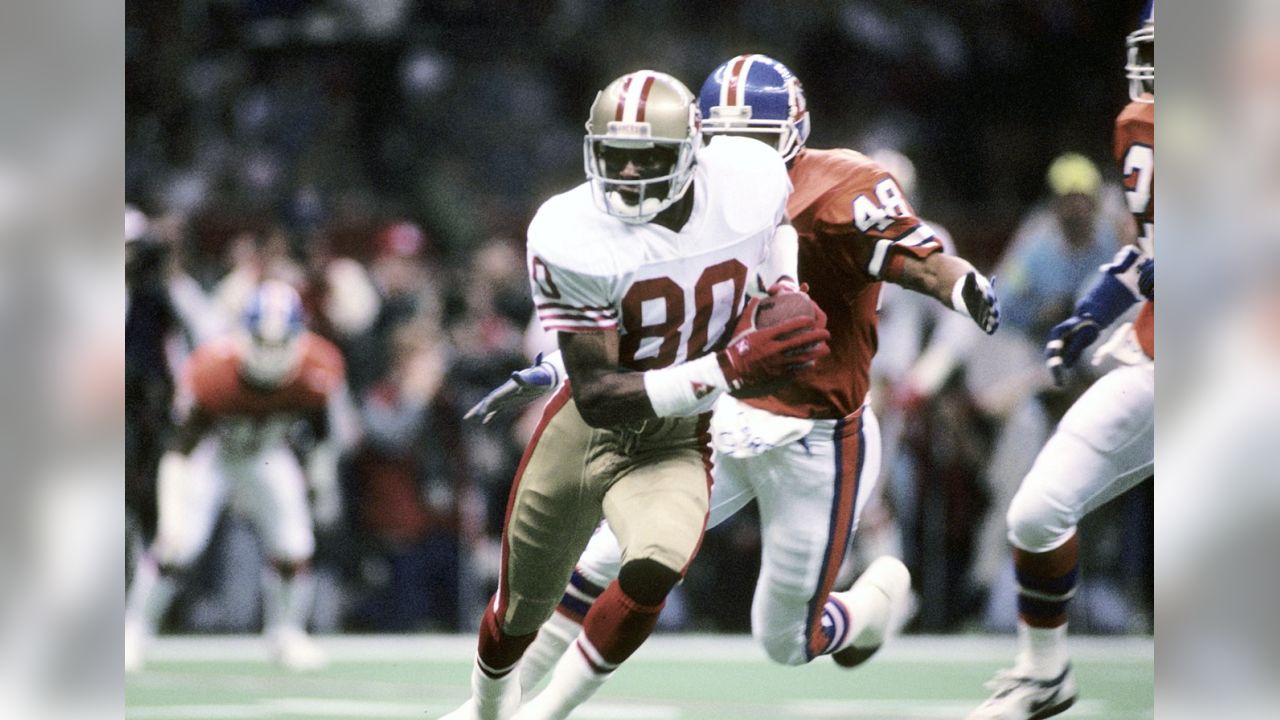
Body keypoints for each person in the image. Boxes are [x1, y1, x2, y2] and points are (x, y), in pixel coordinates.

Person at [466, 55, 1001, 698]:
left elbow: (919, 261)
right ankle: (507, 710)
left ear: (795, 135)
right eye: (726, 142)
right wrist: (558, 365)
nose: (744, 158)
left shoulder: (834, 189)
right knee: (602, 559)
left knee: (783, 639)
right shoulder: (686, 199)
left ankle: (867, 607)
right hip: (726, 409)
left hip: (815, 433)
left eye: (760, 144)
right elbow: (666, 320)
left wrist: (961, 283)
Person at [439, 69, 831, 720]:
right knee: (518, 611)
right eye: (614, 158)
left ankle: (551, 710)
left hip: (676, 438)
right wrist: (730, 367)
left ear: (694, 151)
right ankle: (484, 711)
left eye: (647, 158)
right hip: (586, 427)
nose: (628, 176)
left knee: (656, 563)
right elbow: (598, 394)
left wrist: (784, 285)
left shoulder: (749, 178)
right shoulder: (570, 232)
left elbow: (777, 221)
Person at [965, 5, 1155, 718]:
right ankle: (1044, 676)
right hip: (1158, 362)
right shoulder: (1140, 126)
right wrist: (1092, 313)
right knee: (1038, 512)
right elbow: (1146, 253)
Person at [124, 280, 355, 672]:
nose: (268, 354)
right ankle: (133, 630)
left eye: (278, 344)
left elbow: (319, 433)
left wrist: (319, 479)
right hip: (212, 456)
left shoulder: (318, 367)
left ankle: (286, 634)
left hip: (267, 454)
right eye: (261, 342)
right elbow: (180, 448)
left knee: (295, 544)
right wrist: (173, 508)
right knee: (177, 545)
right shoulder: (214, 369)